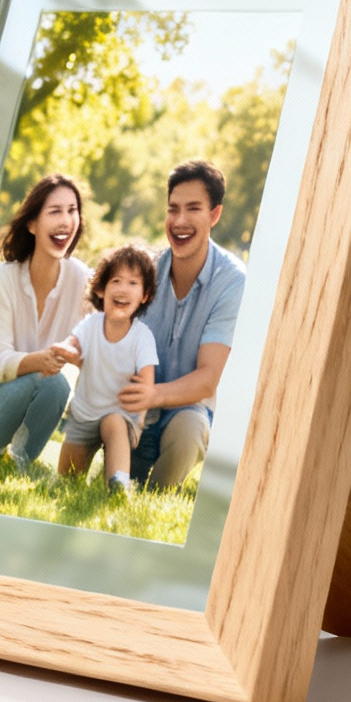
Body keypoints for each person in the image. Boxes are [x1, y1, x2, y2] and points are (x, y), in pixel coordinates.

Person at [116, 160, 247, 489]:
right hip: (135, 410)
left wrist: (152, 396)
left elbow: (207, 380)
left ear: (214, 215)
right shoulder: (147, 271)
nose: (180, 221)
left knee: (189, 430)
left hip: (182, 412)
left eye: (193, 209)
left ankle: (154, 496)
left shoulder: (232, 282)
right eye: (173, 209)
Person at [0, 174, 92, 471]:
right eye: (55, 211)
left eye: (72, 210)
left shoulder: (82, 280)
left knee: (58, 386)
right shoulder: (5, 277)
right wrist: (40, 361)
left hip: (42, 405)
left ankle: (21, 458)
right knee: (45, 376)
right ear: (32, 224)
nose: (66, 220)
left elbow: (95, 348)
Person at [49, 244, 159, 492]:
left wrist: (138, 422)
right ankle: (86, 472)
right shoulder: (91, 324)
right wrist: (66, 350)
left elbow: (147, 383)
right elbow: (73, 343)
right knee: (67, 481)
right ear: (101, 289)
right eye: (116, 280)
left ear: (145, 295)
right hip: (84, 416)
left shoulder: (142, 336)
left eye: (133, 283)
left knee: (112, 421)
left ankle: (119, 482)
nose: (123, 288)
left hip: (122, 419)